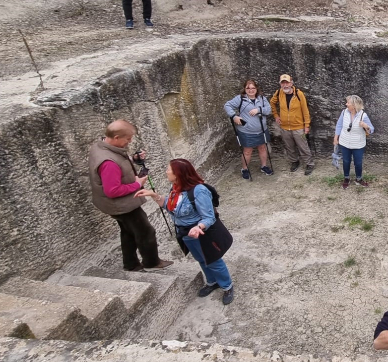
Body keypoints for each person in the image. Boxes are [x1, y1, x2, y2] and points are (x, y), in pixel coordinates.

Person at [137, 159, 234, 305]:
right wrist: (153, 195)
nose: (166, 171)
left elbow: (209, 217)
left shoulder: (199, 191)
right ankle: (212, 282)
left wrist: (198, 227)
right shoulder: (176, 189)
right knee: (201, 260)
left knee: (213, 260)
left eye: (168, 169)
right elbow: (168, 205)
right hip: (186, 235)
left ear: (178, 173)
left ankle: (227, 286)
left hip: (202, 234)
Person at [88, 119, 173, 272]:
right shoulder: (108, 162)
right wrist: (137, 184)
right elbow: (112, 190)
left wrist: (134, 159)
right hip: (122, 205)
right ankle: (151, 262)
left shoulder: (102, 146)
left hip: (113, 205)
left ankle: (131, 264)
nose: (130, 141)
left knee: (128, 232)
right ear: (116, 138)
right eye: (127, 139)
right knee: (146, 231)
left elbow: (118, 167)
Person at [225, 79, 273, 180]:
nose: (251, 90)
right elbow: (227, 105)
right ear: (245, 89)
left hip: (262, 130)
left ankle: (264, 166)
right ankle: (245, 169)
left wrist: (259, 110)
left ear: (256, 89)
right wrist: (234, 116)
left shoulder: (262, 99)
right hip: (246, 131)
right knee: (247, 151)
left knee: (263, 148)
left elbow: (268, 110)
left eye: (253, 88)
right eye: (248, 88)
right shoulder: (240, 99)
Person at [270, 74, 314, 175]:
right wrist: (276, 115)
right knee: (289, 146)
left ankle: (309, 164)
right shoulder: (278, 93)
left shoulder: (299, 94)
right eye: (283, 83)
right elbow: (272, 103)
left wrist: (306, 125)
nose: (285, 85)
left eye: (287, 82)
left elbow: (305, 110)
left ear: (291, 83)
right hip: (285, 127)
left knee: (303, 146)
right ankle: (294, 161)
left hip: (298, 127)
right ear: (280, 84)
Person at [333, 95, 374, 188]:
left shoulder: (363, 115)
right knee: (346, 161)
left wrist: (365, 125)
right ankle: (346, 178)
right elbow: (339, 125)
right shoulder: (344, 112)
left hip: (358, 144)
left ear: (354, 105)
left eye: (348, 103)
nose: (346, 104)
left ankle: (359, 179)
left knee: (358, 163)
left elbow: (371, 129)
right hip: (344, 142)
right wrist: (336, 137)